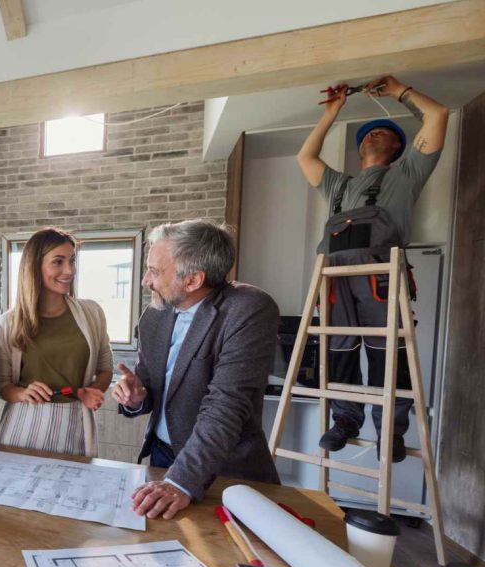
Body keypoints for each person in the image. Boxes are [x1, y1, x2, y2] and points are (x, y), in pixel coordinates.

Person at [296, 75, 449, 461]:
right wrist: (332, 113)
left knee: (387, 354)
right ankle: (346, 420)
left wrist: (399, 91)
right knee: (340, 350)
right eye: (366, 134)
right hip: (334, 279)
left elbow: (438, 114)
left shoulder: (406, 175)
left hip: (381, 274)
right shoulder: (337, 187)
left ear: (399, 145)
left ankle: (389, 432)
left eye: (382, 132)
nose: (371, 135)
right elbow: (306, 158)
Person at [112, 220, 280, 520]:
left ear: (192, 281)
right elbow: (150, 384)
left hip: (224, 469)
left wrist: (180, 481)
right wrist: (137, 397)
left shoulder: (249, 309)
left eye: (155, 271)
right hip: (161, 457)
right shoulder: (154, 315)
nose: (145, 281)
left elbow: (226, 405)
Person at [0, 227, 112, 456]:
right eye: (58, 262)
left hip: (77, 426)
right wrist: (21, 394)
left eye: (72, 260)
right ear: (34, 267)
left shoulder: (92, 313)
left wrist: (92, 391)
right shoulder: (7, 324)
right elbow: (0, 383)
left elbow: (105, 368)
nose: (69, 270)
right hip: (23, 426)